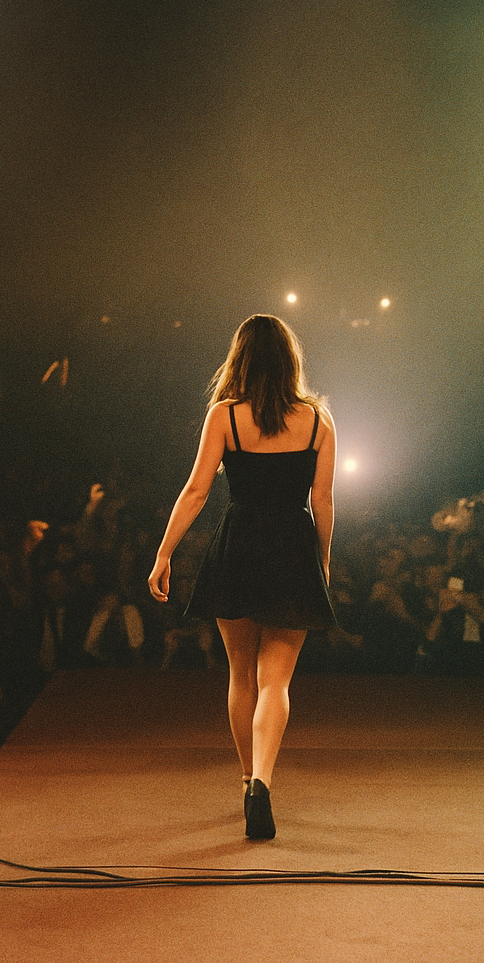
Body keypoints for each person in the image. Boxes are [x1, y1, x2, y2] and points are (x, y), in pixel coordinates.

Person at [148, 314, 337, 839]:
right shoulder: (319, 422)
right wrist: (321, 562)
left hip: (241, 543)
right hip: (293, 547)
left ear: (240, 358)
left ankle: (246, 778)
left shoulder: (225, 416)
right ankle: (264, 782)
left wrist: (164, 554)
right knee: (276, 680)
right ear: (290, 360)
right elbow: (322, 501)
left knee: (240, 676)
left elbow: (196, 491)